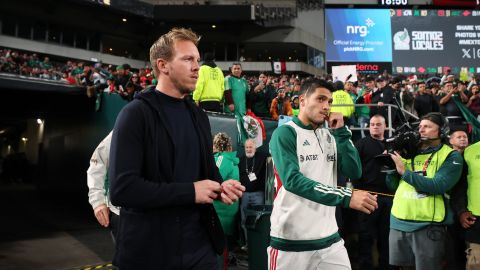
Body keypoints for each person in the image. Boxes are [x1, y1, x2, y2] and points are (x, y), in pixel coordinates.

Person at [109, 28, 245, 270]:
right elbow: (122, 189)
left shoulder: (198, 115)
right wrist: (190, 192)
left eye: (198, 60)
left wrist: (220, 186)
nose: (197, 67)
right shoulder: (135, 114)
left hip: (199, 248)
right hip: (151, 253)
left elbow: (206, 172)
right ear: (163, 65)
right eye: (187, 59)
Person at [268, 78, 378, 270]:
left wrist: (341, 132)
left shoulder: (330, 135)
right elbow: (292, 181)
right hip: (291, 242)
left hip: (330, 241)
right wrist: (346, 197)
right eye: (320, 99)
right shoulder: (285, 133)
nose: (326, 106)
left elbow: (355, 171)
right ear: (302, 101)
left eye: (329, 102)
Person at [387, 112, 463, 270]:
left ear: (442, 131)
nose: (421, 130)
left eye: (427, 127)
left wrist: (404, 172)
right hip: (398, 220)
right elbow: (393, 185)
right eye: (420, 126)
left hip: (428, 225)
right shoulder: (409, 151)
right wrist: (391, 168)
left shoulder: (451, 156)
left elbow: (438, 185)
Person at [353, 114, 393, 270]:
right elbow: (354, 171)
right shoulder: (361, 144)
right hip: (367, 196)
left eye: (378, 124)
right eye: (372, 124)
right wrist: (358, 193)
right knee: (366, 236)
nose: (375, 126)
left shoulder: (391, 145)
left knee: (386, 236)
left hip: (389, 197)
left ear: (385, 126)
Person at [212, 132, 241, 269]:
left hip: (220, 211)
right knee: (224, 247)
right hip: (230, 208)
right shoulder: (232, 161)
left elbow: (214, 181)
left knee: (219, 249)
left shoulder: (221, 159)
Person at [86, 131, 120, 242]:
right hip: (123, 215)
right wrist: (98, 202)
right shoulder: (129, 122)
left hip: (163, 215)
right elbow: (98, 162)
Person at [451, 141, 480, 270]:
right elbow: (460, 186)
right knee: (475, 263)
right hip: (476, 220)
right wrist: (461, 211)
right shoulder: (470, 151)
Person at [238, 138, 268, 248]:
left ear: (255, 147)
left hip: (258, 194)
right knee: (244, 220)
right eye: (246, 147)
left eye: (250, 147)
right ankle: (247, 243)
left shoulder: (263, 157)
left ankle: (258, 244)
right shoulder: (240, 160)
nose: (248, 149)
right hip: (244, 195)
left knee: (259, 220)